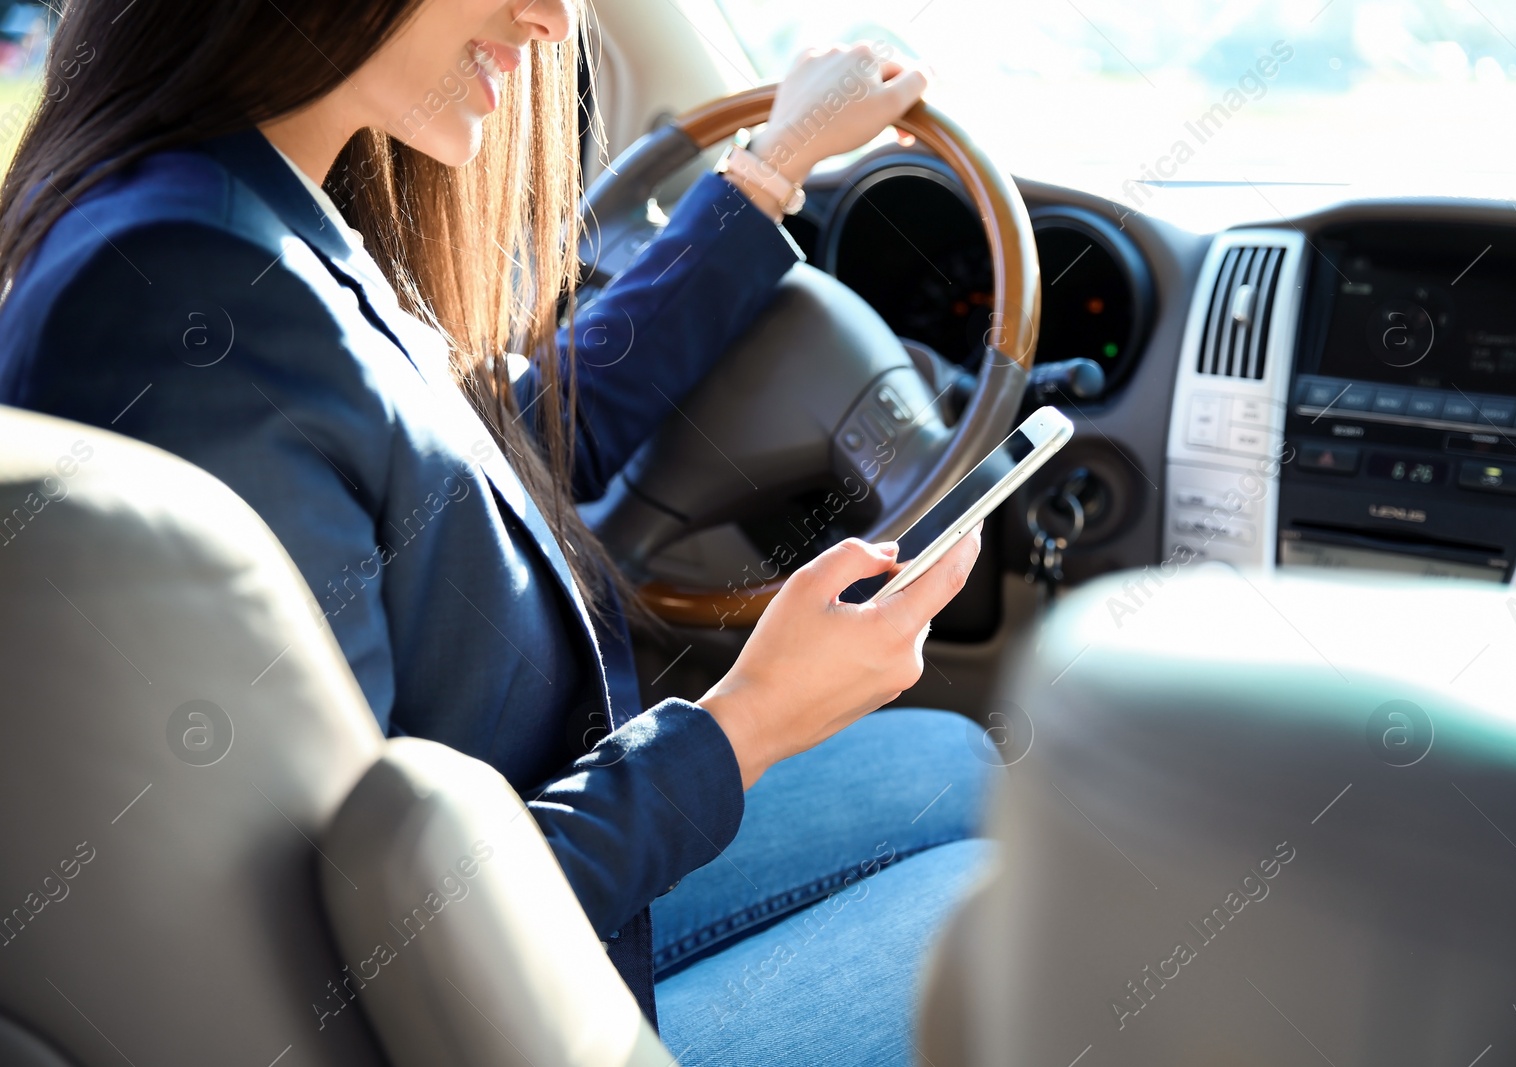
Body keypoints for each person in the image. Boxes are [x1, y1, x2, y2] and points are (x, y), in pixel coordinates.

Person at [0, 1, 993, 1062]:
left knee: (958, 762)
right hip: (467, 1005)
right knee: (994, 914)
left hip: (508, 917)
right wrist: (750, 717)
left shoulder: (249, 207)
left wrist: (769, 168)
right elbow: (356, 956)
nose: (555, 18)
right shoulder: (196, 309)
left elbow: (504, 451)